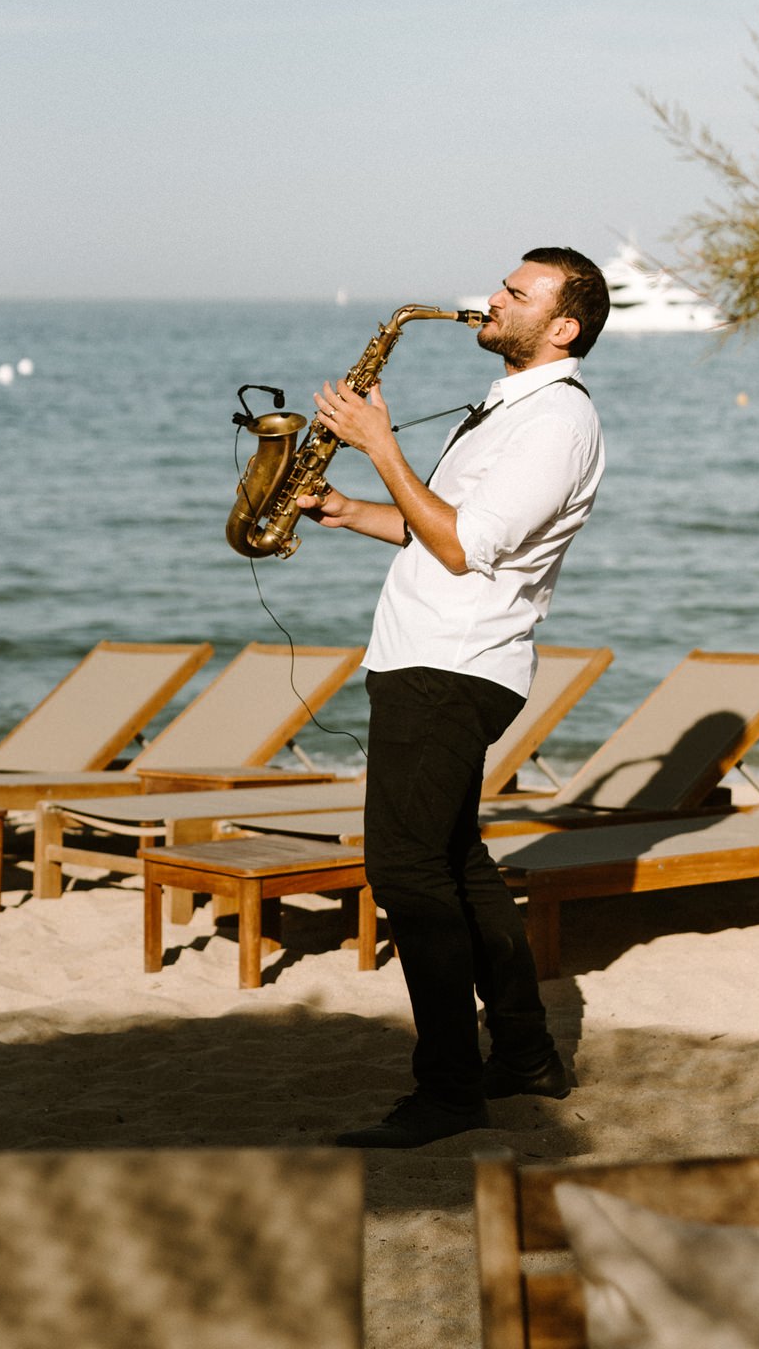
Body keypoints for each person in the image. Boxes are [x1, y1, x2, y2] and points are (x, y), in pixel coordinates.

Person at [294, 247, 609, 1149]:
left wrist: (381, 443)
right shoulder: (511, 409)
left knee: (404, 872)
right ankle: (525, 1058)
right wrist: (350, 507)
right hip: (430, 658)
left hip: (453, 664)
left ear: (563, 328)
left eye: (517, 293)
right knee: (455, 861)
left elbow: (467, 546)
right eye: (502, 284)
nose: (492, 298)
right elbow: (434, 528)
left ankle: (448, 1093)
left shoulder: (554, 423)